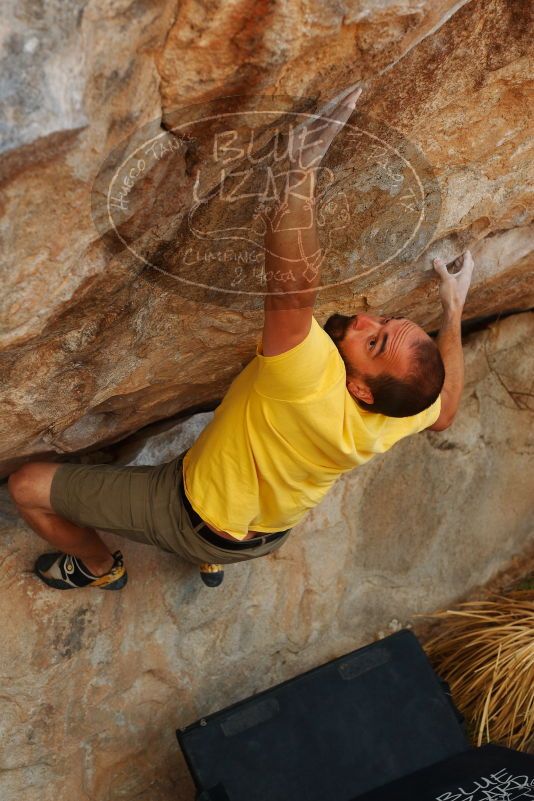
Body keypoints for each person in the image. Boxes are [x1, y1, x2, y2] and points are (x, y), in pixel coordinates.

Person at [7, 86, 474, 590]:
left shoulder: (312, 381)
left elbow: (294, 287)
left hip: (186, 514)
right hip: (268, 533)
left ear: (360, 388)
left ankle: (101, 569)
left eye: (375, 344)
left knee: (26, 486)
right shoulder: (394, 408)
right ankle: (212, 560)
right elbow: (445, 410)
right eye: (386, 324)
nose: (366, 323)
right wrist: (454, 308)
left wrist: (297, 171)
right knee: (230, 465)